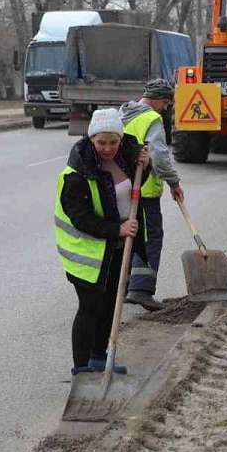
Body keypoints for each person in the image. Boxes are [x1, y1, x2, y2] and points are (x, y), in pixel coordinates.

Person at [55, 107, 150, 375]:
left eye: (113, 142)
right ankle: (82, 367)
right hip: (85, 251)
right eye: (101, 143)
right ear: (91, 140)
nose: (107, 148)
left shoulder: (125, 158)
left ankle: (99, 357)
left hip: (116, 248)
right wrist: (117, 229)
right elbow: (80, 217)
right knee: (89, 307)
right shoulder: (77, 173)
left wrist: (146, 164)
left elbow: (135, 186)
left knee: (110, 302)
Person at [120, 79, 184, 312]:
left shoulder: (123, 115)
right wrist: (173, 182)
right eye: (166, 102)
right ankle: (141, 289)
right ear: (157, 99)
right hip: (144, 190)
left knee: (127, 235)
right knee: (149, 237)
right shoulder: (152, 119)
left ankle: (125, 285)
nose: (166, 108)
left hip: (121, 190)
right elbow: (158, 157)